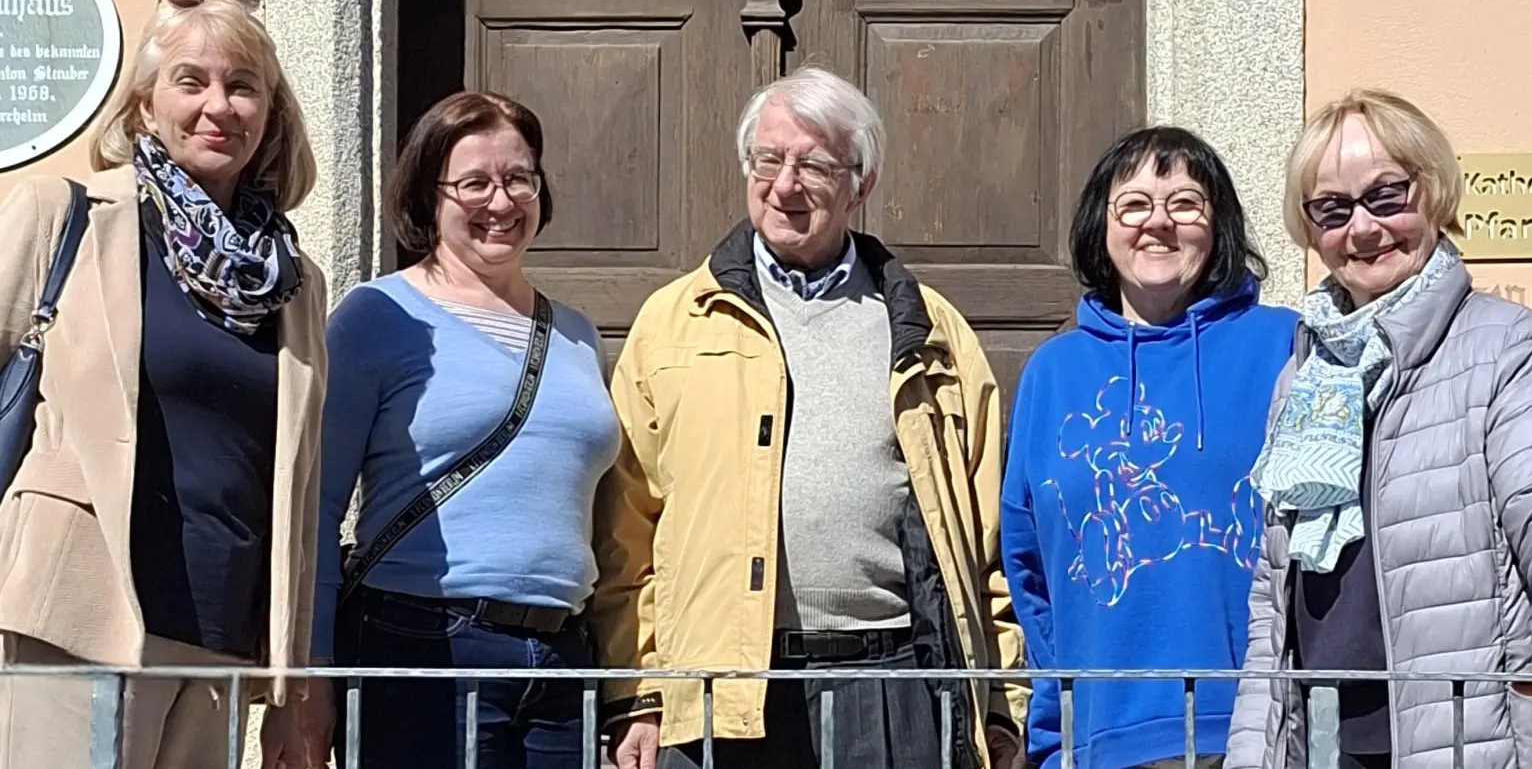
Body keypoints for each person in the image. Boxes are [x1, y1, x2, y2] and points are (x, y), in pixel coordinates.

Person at [593, 66, 1027, 769]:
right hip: (720, 692)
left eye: (815, 165)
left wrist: (1000, 698)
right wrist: (636, 692)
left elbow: (985, 541)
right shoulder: (672, 324)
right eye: (768, 159)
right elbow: (626, 532)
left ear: (862, 183)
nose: (785, 185)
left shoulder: (931, 331)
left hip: (892, 687)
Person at [1224, 90, 1532, 769]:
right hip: (1322, 737)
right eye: (1332, 208)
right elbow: (1274, 587)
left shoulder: (1503, 343)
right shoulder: (1305, 372)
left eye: (1386, 196)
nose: (1363, 228)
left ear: (1433, 191)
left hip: (1463, 730)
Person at [0, 0, 325, 769]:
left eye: (243, 87)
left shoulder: (294, 282)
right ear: (145, 107)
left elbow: (300, 486)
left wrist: (292, 681)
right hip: (73, 615)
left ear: (269, 116)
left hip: (220, 637)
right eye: (191, 81)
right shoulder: (66, 215)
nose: (219, 105)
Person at [299, 91, 620, 769]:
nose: (501, 202)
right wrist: (312, 675)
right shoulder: (377, 317)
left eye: (519, 178)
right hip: (422, 646)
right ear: (429, 196)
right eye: (474, 183)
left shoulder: (577, 335)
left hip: (562, 659)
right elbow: (316, 509)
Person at [999, 127, 1297, 769]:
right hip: (1099, 737)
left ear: (1218, 224)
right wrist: (1053, 725)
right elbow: (1028, 569)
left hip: (1253, 733)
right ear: (1101, 226)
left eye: (1185, 203)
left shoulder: (1285, 347)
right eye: (1133, 204)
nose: (1158, 222)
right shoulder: (1051, 372)